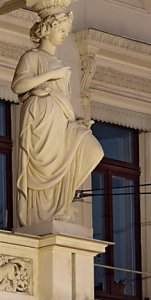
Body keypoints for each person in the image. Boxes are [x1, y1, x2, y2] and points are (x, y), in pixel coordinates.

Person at [11, 12, 103, 226]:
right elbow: (18, 86)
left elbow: (63, 99)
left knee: (94, 150)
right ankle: (43, 216)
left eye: (65, 31)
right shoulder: (32, 57)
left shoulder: (59, 64)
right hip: (40, 117)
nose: (64, 35)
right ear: (47, 30)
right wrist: (50, 76)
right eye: (61, 30)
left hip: (61, 120)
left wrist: (77, 121)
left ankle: (61, 202)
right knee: (43, 166)